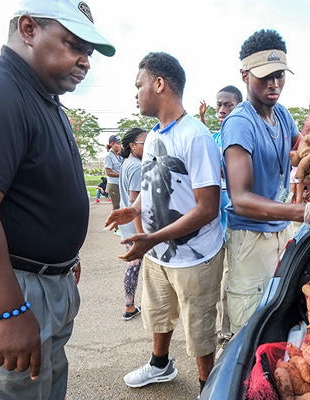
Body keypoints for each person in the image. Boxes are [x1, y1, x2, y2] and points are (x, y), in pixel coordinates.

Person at [0, 1, 115, 398]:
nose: (85, 62)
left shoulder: (40, 95)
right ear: (28, 29)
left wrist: (62, 256)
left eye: (90, 53)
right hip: (8, 282)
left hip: (39, 278)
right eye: (74, 45)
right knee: (15, 391)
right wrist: (7, 309)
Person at [105, 51, 224, 394]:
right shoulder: (154, 136)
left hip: (195, 258)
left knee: (199, 329)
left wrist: (152, 238)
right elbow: (149, 182)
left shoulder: (196, 136)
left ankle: (207, 387)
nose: (136, 92)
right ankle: (160, 365)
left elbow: (207, 209)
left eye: (139, 85)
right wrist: (134, 209)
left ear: (159, 84)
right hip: (158, 255)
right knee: (159, 314)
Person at [217, 29, 310, 335]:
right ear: (245, 74)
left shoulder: (282, 115)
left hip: (279, 231)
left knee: (279, 305)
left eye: (279, 75)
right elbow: (242, 199)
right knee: (250, 320)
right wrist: (305, 211)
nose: (274, 83)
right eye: (265, 76)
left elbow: (303, 154)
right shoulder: (240, 123)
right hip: (250, 238)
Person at [198, 84, 244, 349]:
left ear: (240, 106)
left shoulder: (243, 134)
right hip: (214, 223)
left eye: (228, 105)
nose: (222, 110)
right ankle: (220, 329)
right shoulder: (215, 138)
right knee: (215, 282)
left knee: (232, 280)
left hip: (237, 222)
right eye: (220, 105)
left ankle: (228, 333)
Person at [117, 127, 148, 321]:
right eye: (145, 143)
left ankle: (130, 305)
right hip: (134, 225)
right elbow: (135, 203)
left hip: (127, 224)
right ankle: (129, 307)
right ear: (132, 146)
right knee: (134, 264)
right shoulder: (137, 167)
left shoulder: (129, 163)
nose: (149, 146)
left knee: (132, 264)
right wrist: (141, 235)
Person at [104, 134, 124, 210]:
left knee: (123, 206)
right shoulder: (109, 157)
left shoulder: (121, 156)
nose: (120, 146)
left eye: (120, 144)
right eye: (118, 144)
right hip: (114, 184)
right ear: (112, 144)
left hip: (121, 184)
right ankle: (114, 221)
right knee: (116, 207)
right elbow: (109, 172)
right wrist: (122, 174)